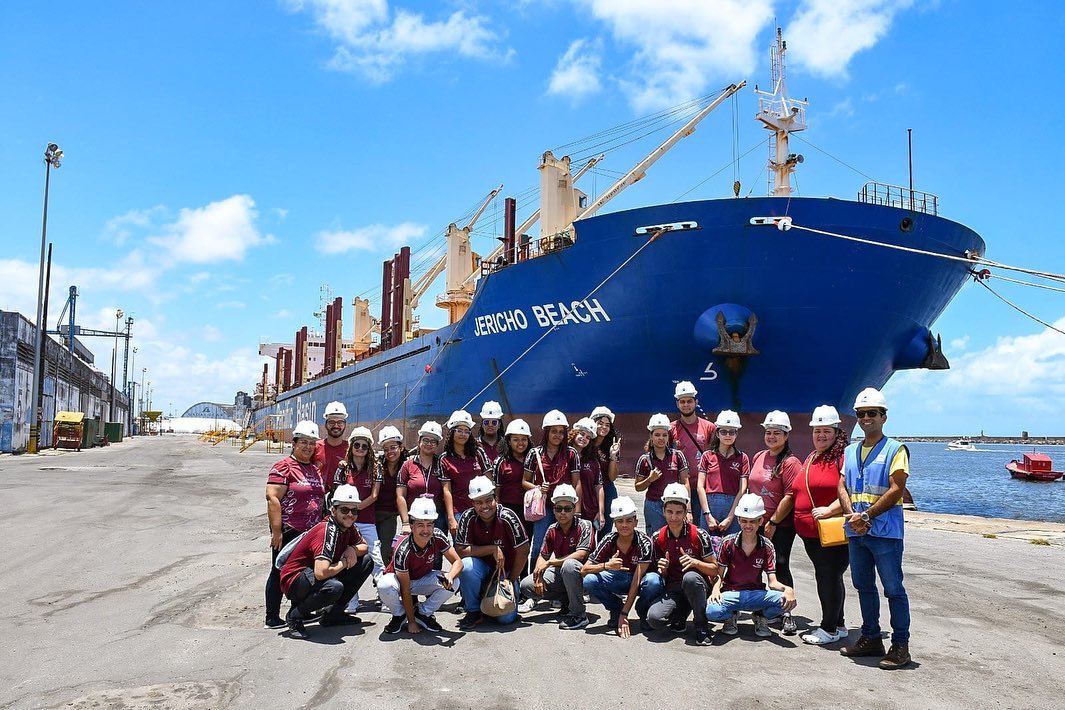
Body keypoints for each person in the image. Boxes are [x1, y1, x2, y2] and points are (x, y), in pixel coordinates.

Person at [838, 387, 912, 670]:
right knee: (863, 586)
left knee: (893, 589)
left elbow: (897, 489)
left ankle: (900, 645)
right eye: (861, 414)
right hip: (856, 532)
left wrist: (866, 516)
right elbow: (841, 485)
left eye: (872, 413)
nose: (865, 418)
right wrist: (851, 516)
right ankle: (871, 637)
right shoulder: (849, 451)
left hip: (884, 533)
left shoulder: (895, 450)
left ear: (884, 417)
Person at [278, 485, 374, 638]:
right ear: (333, 510)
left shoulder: (348, 527)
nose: (350, 515)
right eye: (344, 510)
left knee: (366, 562)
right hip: (295, 580)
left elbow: (364, 547)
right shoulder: (327, 530)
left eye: (354, 511)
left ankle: (334, 614)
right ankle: (294, 616)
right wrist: (344, 562)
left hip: (313, 574)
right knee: (334, 587)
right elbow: (321, 573)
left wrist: (352, 549)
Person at [264, 420, 327, 629]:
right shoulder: (283, 467)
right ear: (294, 443)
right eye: (304, 442)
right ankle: (272, 617)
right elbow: (272, 498)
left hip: (311, 532)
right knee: (279, 570)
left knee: (304, 571)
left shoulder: (314, 469)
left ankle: (300, 611)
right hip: (290, 528)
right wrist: (276, 531)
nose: (308, 446)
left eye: (312, 443)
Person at [795, 405, 850, 646]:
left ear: (837, 432)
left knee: (828, 577)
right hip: (812, 533)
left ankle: (828, 629)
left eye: (826, 431)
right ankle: (839, 624)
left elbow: (852, 490)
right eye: (817, 431)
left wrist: (830, 509)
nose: (821, 435)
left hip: (830, 531)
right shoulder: (813, 456)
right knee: (829, 576)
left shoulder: (843, 458)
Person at [706, 493, 797, 637]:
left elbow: (772, 582)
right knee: (711, 611)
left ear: (761, 521)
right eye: (744, 521)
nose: (748, 525)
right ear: (738, 520)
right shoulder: (728, 543)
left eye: (753, 521)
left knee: (787, 600)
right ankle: (731, 615)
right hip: (732, 593)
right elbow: (719, 574)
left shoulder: (767, 546)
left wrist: (788, 589)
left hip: (756, 594)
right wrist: (716, 590)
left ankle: (761, 616)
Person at [642, 483, 718, 645]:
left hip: (698, 586)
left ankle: (701, 625)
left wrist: (695, 562)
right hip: (674, 588)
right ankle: (681, 614)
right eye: (669, 512)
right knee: (654, 619)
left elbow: (715, 569)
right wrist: (662, 570)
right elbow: (659, 575)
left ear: (685, 512)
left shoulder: (699, 534)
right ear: (663, 511)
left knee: (690, 578)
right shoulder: (657, 537)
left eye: (678, 512)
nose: (674, 517)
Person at [748, 410, 801, 635]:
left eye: (777, 433)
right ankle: (765, 607)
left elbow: (790, 495)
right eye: (768, 432)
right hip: (755, 522)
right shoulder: (759, 456)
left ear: (786, 435)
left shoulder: (790, 462)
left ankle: (786, 613)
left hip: (780, 525)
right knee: (755, 566)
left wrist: (774, 522)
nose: (771, 436)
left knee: (780, 564)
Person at [378, 496, 463, 635]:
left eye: (429, 525)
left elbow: (458, 562)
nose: (425, 530)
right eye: (420, 525)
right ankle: (399, 615)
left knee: (454, 582)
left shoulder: (437, 536)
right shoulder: (403, 548)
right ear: (412, 527)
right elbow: (405, 589)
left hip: (421, 579)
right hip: (400, 583)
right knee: (384, 585)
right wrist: (411, 623)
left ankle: (423, 613)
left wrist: (450, 576)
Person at [455, 476, 531, 629]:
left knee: (505, 619)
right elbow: (461, 551)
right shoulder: (467, 517)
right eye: (478, 502)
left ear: (496, 498)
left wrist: (510, 579)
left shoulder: (508, 516)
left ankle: (491, 599)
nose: (484, 506)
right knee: (466, 565)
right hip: (480, 569)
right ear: (472, 503)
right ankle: (473, 610)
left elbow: (523, 550)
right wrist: (492, 549)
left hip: (504, 572)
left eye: (488, 500)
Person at [582, 496, 660, 638]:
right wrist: (606, 565)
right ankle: (615, 608)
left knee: (653, 581)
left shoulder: (645, 542)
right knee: (589, 580)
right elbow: (584, 570)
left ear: (636, 522)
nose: (624, 525)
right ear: (614, 523)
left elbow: (637, 580)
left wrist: (625, 614)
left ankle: (643, 611)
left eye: (629, 520)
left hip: (640, 581)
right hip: (618, 578)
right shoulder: (609, 539)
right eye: (620, 521)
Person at [518, 484, 594, 629]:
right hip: (562, 571)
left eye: (567, 509)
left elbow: (581, 554)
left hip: (584, 573)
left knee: (569, 565)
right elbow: (543, 556)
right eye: (559, 509)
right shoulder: (552, 529)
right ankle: (566, 602)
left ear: (574, 509)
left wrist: (551, 562)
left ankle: (579, 614)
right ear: (554, 510)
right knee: (526, 585)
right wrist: (538, 576)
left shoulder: (585, 525)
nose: (563, 512)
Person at [333, 426, 381, 610]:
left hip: (367, 521)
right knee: (348, 560)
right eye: (357, 445)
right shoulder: (343, 470)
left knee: (376, 558)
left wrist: (355, 509)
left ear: (369, 449)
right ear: (351, 446)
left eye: (364, 446)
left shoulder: (375, 469)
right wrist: (349, 514)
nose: (360, 449)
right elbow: (337, 496)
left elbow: (374, 496)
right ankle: (351, 601)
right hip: (346, 524)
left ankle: (385, 597)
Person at [525, 410, 581, 563]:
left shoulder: (571, 453)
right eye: (554, 431)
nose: (558, 435)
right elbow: (524, 481)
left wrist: (577, 510)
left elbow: (577, 483)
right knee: (538, 546)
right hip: (544, 507)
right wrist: (538, 488)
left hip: (565, 506)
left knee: (569, 547)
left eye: (561, 432)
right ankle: (534, 574)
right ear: (546, 432)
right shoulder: (535, 453)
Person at [634, 414, 690, 536]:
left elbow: (685, 483)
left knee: (677, 537)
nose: (661, 438)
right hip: (653, 505)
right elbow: (638, 487)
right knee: (656, 538)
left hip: (675, 504)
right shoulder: (644, 459)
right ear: (651, 436)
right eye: (657, 435)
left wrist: (688, 509)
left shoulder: (678, 456)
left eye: (664, 435)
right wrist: (650, 479)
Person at [697, 410, 750, 537]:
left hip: (733, 506)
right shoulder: (707, 456)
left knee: (732, 545)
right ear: (717, 433)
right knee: (706, 544)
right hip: (709, 505)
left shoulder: (742, 458)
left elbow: (742, 489)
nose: (727, 435)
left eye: (732, 432)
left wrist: (731, 517)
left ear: (736, 434)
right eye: (723, 431)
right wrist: (707, 515)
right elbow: (700, 486)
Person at [670, 381, 714, 528]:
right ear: (677, 404)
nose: (686, 405)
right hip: (681, 488)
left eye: (689, 401)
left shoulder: (709, 427)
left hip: (704, 488)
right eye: (682, 402)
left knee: (702, 529)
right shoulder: (671, 429)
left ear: (696, 402)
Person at [441, 410, 490, 537]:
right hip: (459, 511)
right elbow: (447, 491)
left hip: (482, 509)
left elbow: (489, 481)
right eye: (460, 430)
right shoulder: (445, 459)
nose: (463, 434)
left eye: (467, 431)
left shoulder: (478, 453)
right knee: (462, 545)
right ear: (452, 432)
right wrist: (451, 518)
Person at [397, 421, 447, 538]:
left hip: (437, 518)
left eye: (433, 441)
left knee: (437, 548)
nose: (429, 444)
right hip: (415, 518)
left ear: (437, 444)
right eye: (425, 440)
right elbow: (400, 496)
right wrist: (405, 523)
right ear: (419, 442)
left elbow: (447, 490)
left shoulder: (441, 464)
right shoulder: (407, 465)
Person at [494, 419, 533, 536]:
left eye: (524, 439)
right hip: (508, 509)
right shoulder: (500, 461)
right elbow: (496, 490)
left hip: (530, 509)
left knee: (528, 540)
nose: (520, 443)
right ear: (509, 441)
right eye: (516, 439)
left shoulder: (533, 458)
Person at [375, 425, 406, 569]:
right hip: (372, 512)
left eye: (393, 447)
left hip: (390, 515)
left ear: (401, 447)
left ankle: (385, 577)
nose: (390, 452)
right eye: (386, 449)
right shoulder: (377, 465)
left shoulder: (407, 466)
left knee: (386, 551)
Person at [590, 406, 622, 536]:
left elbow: (612, 477)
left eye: (607, 425)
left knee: (605, 530)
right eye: (600, 423)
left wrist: (613, 456)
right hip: (588, 489)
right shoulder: (585, 443)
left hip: (607, 490)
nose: (604, 427)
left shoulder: (612, 446)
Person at [570, 417, 605, 533]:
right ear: (574, 433)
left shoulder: (593, 461)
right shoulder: (563, 456)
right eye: (581, 434)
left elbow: (599, 486)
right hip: (567, 509)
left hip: (589, 511)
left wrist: (601, 512)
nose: (584, 438)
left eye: (588, 437)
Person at [315, 401, 349, 493]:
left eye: (340, 422)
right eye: (331, 422)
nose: (336, 426)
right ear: (326, 425)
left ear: (345, 425)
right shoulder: (315, 447)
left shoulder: (351, 449)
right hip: (317, 496)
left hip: (343, 497)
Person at [477, 400, 505, 465]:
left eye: (494, 422)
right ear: (482, 424)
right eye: (486, 422)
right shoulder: (475, 445)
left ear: (499, 425)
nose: (490, 425)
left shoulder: (507, 445)